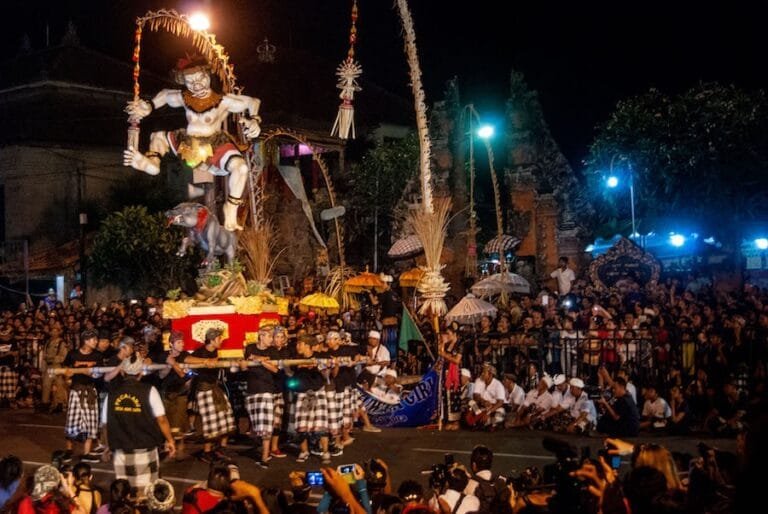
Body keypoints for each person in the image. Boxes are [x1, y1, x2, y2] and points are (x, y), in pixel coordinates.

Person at [123, 55, 262, 231]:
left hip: (214, 145)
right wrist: (148, 106)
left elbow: (253, 102)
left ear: (208, 75)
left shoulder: (223, 101)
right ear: (184, 82)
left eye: (201, 79)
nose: (197, 86)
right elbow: (165, 95)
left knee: (241, 168)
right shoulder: (184, 98)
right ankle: (152, 164)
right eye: (190, 82)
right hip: (189, 145)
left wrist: (254, 120)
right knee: (157, 136)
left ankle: (231, 209)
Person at [102, 355, 176, 490]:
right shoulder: (150, 391)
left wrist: (108, 445)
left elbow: (105, 425)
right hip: (145, 447)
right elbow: (161, 419)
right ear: (141, 372)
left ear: (122, 372)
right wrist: (170, 440)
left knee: (124, 488)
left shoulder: (111, 393)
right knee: (147, 489)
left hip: (121, 448)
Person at [184, 328, 235, 462]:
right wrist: (205, 361)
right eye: (219, 338)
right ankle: (207, 452)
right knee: (210, 421)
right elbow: (187, 359)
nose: (221, 340)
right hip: (204, 389)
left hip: (215, 388)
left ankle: (221, 447)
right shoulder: (200, 351)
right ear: (212, 340)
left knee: (226, 415)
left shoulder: (216, 351)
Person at [241, 326, 279, 468]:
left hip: (266, 390)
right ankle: (263, 451)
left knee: (266, 425)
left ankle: (264, 457)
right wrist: (257, 360)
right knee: (256, 424)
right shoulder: (250, 347)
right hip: (252, 390)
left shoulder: (273, 350)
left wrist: (260, 360)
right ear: (261, 336)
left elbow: (275, 369)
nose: (272, 339)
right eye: (269, 336)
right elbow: (245, 365)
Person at [63, 329, 103, 463]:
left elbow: (98, 375)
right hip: (76, 390)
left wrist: (86, 372)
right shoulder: (73, 354)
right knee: (72, 421)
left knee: (91, 423)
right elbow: (65, 370)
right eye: (93, 339)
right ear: (85, 341)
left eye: (96, 339)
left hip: (90, 391)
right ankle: (69, 451)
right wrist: (67, 377)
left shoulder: (97, 355)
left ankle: (86, 453)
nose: (96, 342)